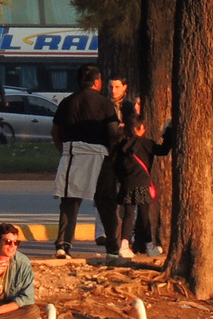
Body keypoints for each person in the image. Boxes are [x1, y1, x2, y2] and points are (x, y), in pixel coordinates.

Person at [51, 64, 116, 259]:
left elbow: (55, 131)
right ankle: (112, 247)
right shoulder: (105, 103)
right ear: (97, 81)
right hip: (99, 155)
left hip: (72, 153)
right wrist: (113, 156)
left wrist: (63, 151)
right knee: (106, 202)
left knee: (69, 200)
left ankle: (63, 244)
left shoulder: (67, 102)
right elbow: (112, 132)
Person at [110, 113, 173, 259]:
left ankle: (124, 245)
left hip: (127, 184)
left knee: (128, 215)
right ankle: (149, 246)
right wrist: (168, 132)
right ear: (141, 128)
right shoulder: (147, 144)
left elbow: (115, 164)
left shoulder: (121, 145)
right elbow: (163, 151)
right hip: (143, 184)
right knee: (144, 216)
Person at [93, 76, 136, 254]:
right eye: (111, 86)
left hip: (124, 155)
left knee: (126, 196)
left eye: (117, 87)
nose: (113, 90)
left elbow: (132, 127)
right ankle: (102, 232)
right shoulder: (103, 104)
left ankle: (127, 234)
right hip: (107, 156)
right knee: (103, 195)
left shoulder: (128, 107)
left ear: (124, 88)